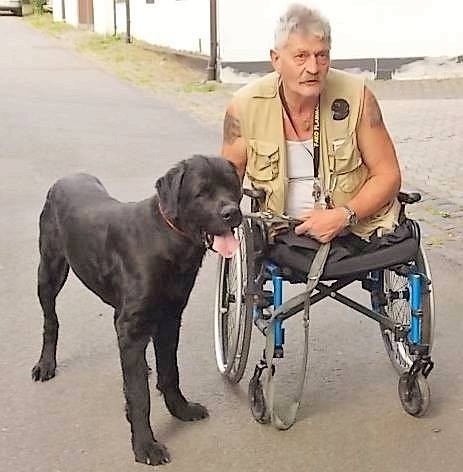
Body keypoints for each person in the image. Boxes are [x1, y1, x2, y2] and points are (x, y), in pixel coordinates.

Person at [221, 3, 403, 255]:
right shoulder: (244, 107)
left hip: (356, 229)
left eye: (322, 55)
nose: (313, 68)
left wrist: (344, 215)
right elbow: (227, 183)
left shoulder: (358, 97)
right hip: (281, 234)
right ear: (276, 59)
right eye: (300, 56)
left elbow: (388, 174)